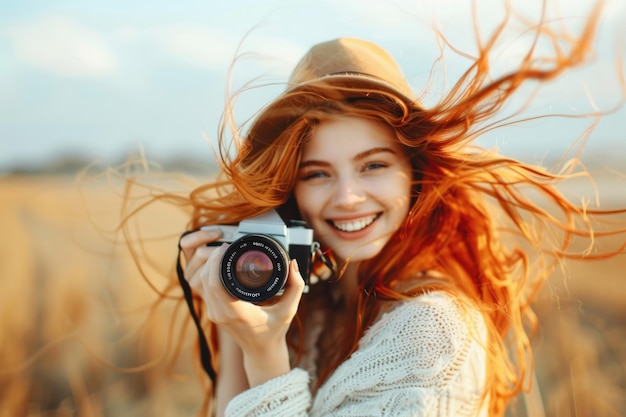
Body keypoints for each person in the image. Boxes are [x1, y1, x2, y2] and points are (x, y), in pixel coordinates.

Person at [123, 2, 625, 416]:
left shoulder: (430, 332)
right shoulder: (311, 303)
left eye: (373, 166)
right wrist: (236, 316)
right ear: (290, 190)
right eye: (316, 173)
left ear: (415, 172)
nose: (346, 198)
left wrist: (265, 352)